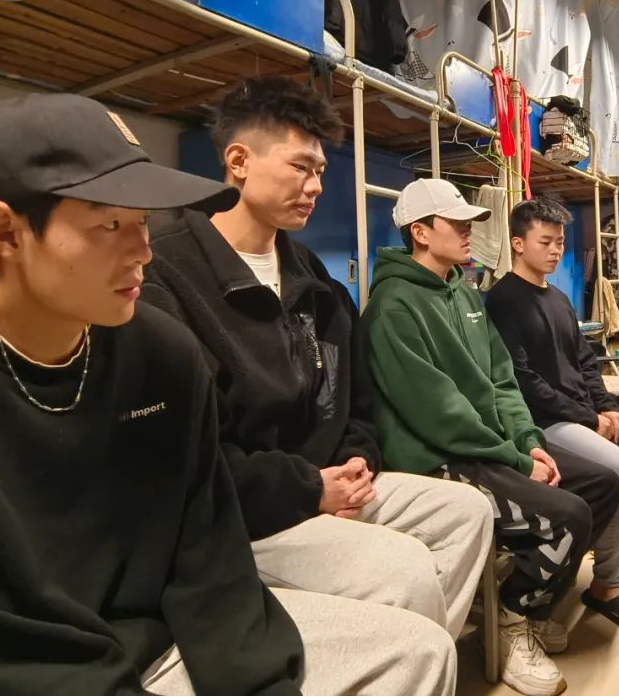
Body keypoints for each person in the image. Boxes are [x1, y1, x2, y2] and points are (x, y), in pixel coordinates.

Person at [0, 93, 456, 696]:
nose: (142, 251)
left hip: (166, 632)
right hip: (33, 667)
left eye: (144, 223)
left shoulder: (161, 352)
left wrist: (257, 680)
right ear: (5, 232)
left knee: (419, 652)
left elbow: (206, 545)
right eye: (110, 224)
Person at [142, 76, 494, 642]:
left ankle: (416, 654)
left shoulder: (311, 275)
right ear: (239, 161)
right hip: (243, 512)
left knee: (466, 512)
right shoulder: (169, 276)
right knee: (402, 569)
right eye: (301, 167)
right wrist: (308, 489)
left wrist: (357, 459)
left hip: (328, 483)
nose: (316, 186)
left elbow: (355, 399)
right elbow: (188, 457)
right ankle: (403, 652)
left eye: (322, 171)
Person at [362, 178, 619, 696]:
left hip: (492, 445)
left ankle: (526, 601)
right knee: (565, 516)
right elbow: (438, 412)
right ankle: (511, 617)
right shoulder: (392, 307)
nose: (469, 232)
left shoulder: (465, 293)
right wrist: (517, 460)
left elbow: (503, 381)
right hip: (438, 457)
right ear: (420, 232)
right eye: (457, 223)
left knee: (603, 485)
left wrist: (529, 441)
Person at [485, 197, 619, 634]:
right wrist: (587, 419)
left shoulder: (558, 298)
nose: (555, 250)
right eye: (545, 241)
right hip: (546, 423)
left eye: (560, 242)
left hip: (584, 413)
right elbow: (523, 381)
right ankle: (608, 584)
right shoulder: (503, 300)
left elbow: (585, 360)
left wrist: (606, 406)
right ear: (518, 244)